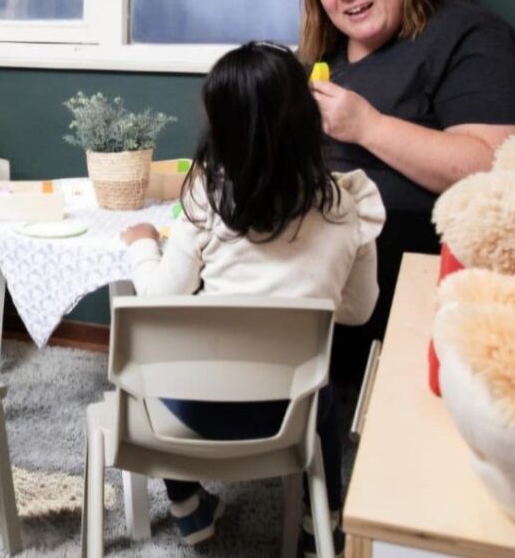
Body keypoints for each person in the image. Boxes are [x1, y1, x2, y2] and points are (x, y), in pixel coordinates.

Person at [120, 42, 385, 553]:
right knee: (324, 391)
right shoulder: (347, 208)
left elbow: (158, 296)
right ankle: (322, 519)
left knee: (155, 365)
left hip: (195, 412)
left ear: (220, 129)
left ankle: (187, 505)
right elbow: (358, 311)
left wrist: (142, 246)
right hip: (292, 415)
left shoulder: (206, 199)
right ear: (308, 120)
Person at [299, 0, 515, 375]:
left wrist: (368, 126)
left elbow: (493, 166)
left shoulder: (468, 36)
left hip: (405, 275)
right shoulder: (325, 52)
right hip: (309, 264)